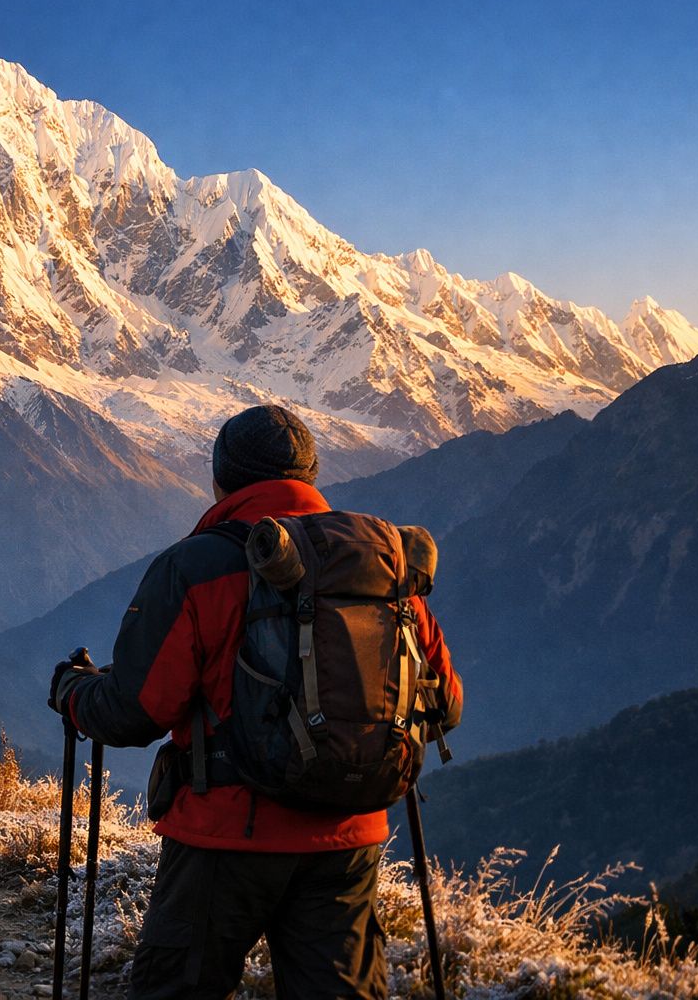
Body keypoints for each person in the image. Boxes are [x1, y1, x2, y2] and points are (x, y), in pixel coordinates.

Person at [48, 405, 462, 1000]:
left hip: (223, 840)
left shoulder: (194, 567)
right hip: (347, 840)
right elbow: (444, 705)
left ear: (220, 481)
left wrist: (74, 693)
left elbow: (135, 711)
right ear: (312, 478)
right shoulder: (379, 567)